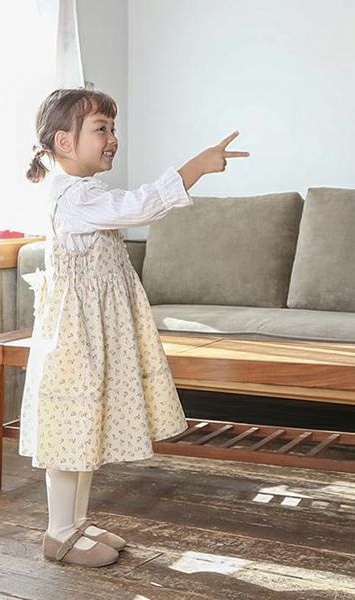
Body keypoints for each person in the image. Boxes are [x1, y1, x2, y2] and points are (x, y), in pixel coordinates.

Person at [20, 88, 250, 567]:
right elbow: (139, 206)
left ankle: (74, 522)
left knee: (84, 425)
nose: (113, 138)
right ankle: (58, 533)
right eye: (101, 129)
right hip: (77, 339)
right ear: (64, 142)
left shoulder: (85, 192)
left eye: (113, 128)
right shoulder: (74, 196)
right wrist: (194, 168)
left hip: (92, 332)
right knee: (70, 430)